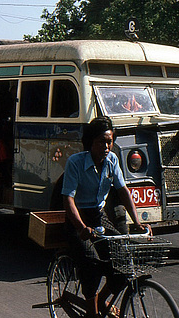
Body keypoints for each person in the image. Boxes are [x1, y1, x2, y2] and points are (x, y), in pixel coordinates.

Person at [62, 117, 150, 318]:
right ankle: (91, 312)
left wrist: (136, 222)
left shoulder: (112, 161)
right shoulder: (75, 163)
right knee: (91, 262)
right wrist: (82, 228)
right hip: (78, 220)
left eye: (109, 141)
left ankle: (102, 300)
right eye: (102, 141)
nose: (106, 146)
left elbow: (123, 191)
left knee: (123, 261)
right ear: (91, 142)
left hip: (98, 217)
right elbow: (68, 199)